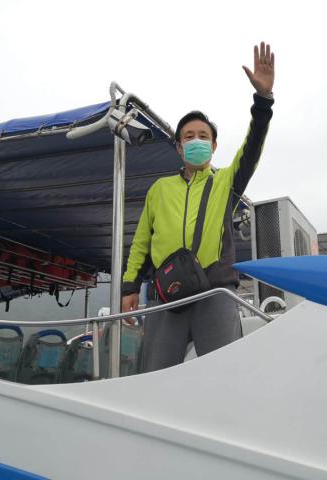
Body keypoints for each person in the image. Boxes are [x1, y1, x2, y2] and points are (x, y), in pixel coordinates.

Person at [121, 42, 275, 371]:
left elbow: (252, 148)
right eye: (188, 136)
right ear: (178, 147)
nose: (196, 141)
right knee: (157, 375)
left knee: (223, 375)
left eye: (203, 136)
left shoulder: (226, 182)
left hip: (215, 293)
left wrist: (263, 101)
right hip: (166, 294)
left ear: (214, 146)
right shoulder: (159, 189)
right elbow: (141, 243)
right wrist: (130, 288)